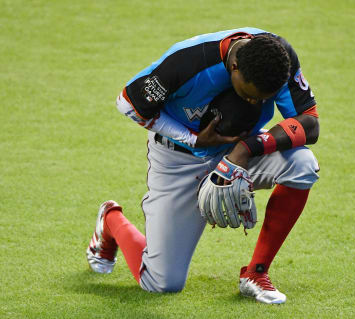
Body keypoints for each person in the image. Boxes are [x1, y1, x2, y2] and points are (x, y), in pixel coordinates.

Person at [86, 27, 320, 304]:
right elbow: (128, 104)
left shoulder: (278, 58)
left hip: (238, 153)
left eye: (262, 98)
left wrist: (245, 150)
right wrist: (193, 139)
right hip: (179, 160)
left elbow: (310, 124)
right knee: (161, 283)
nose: (255, 102)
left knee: (303, 164)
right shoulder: (188, 62)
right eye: (249, 94)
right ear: (234, 66)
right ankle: (111, 220)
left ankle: (255, 273)